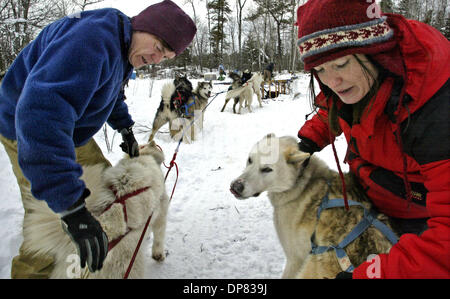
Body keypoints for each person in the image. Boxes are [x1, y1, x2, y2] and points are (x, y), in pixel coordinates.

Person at [0, 0, 196, 278]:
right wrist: (71, 208)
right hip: (28, 130)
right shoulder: (90, 41)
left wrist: (125, 127)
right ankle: (36, 271)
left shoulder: (123, 45)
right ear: (146, 26)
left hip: (68, 129)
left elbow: (109, 90)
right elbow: (40, 115)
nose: (156, 59)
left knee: (107, 193)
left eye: (165, 57)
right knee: (50, 217)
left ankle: (97, 261)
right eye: (159, 47)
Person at [295, 0, 449, 278]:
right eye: (320, 70)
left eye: (340, 64)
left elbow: (445, 245)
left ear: (377, 53)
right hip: (370, 192)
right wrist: (308, 142)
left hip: (420, 216)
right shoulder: (359, 82)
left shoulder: (436, 110)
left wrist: (368, 276)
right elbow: (335, 106)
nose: (332, 81)